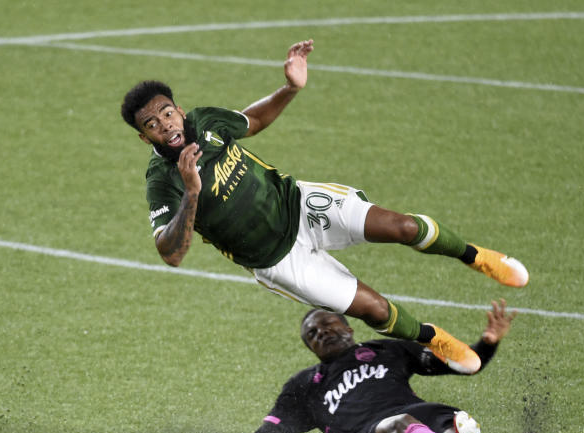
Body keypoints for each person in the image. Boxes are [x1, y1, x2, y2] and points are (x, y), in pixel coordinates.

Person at [120, 40, 530, 375]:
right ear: (144, 138)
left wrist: (291, 89)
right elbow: (170, 254)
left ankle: (475, 256)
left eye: (167, 113)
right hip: (279, 261)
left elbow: (252, 121)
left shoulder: (206, 122)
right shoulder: (162, 181)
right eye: (151, 124)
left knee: (404, 227)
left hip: (299, 205)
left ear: (180, 110)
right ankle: (431, 337)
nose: (165, 125)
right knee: (375, 309)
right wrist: (191, 193)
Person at [188, 300, 553, 433]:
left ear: (348, 327)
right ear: (309, 348)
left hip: (422, 416)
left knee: (452, 428)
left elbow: (461, 365)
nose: (320, 332)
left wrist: (488, 341)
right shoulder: (305, 386)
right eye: (311, 334)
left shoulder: (388, 350)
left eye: (327, 323)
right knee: (402, 427)